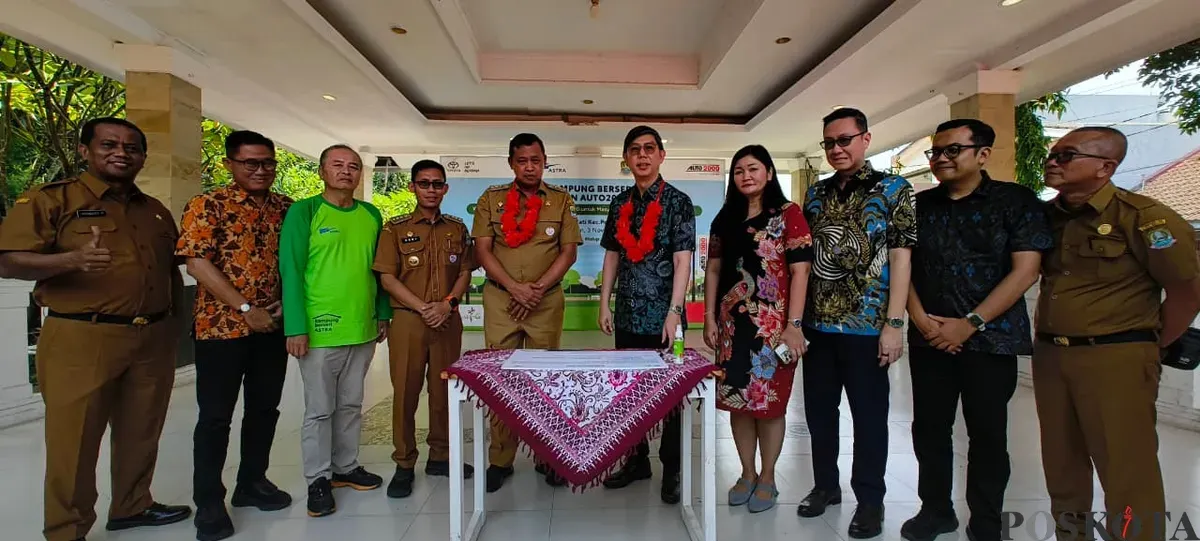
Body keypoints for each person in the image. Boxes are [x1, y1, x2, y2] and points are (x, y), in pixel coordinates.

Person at [0, 117, 192, 541]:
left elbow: (169, 272)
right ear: (85, 150)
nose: (121, 153)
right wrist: (69, 261)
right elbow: (8, 260)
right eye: (109, 145)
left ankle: (132, 505)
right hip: (82, 336)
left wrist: (174, 325)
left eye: (131, 147)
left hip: (151, 337)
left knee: (142, 429)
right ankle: (67, 529)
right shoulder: (52, 199)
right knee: (75, 439)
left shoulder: (154, 210)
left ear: (143, 157)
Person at [1034, 127, 1200, 541]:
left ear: (1105, 167)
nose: (1052, 161)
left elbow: (1187, 290)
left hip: (1116, 357)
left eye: (1066, 155)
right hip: (1053, 355)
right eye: (1052, 154)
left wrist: (1151, 345)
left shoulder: (1144, 217)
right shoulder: (1046, 217)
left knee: (1126, 470)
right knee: (1062, 466)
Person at [902, 119, 1052, 541]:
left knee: (987, 435)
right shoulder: (918, 206)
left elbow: (1026, 271)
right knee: (929, 430)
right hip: (930, 337)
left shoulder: (1015, 201)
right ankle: (935, 511)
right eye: (936, 152)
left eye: (952, 150)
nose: (941, 159)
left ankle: (986, 522)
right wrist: (921, 320)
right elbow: (901, 266)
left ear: (982, 154)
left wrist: (970, 324)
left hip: (990, 340)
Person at [798, 107, 917, 539]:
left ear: (865, 139)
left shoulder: (893, 189)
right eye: (829, 142)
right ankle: (825, 486)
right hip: (818, 328)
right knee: (819, 415)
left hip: (868, 327)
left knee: (869, 418)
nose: (836, 149)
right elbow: (804, 261)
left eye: (844, 139)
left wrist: (895, 323)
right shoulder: (816, 194)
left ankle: (870, 500)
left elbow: (902, 258)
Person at [177, 130, 295, 540]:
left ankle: (252, 482)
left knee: (264, 409)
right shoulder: (207, 205)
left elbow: (297, 262)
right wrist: (246, 309)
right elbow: (196, 264)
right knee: (215, 418)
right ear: (230, 164)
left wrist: (284, 303)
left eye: (267, 163)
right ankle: (209, 502)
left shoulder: (286, 209)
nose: (260, 170)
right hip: (221, 329)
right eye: (250, 163)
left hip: (272, 327)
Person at [280, 144, 392, 518]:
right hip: (318, 330)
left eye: (353, 166)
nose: (346, 171)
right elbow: (291, 270)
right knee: (319, 409)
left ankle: (345, 467)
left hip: (362, 328)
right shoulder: (305, 211)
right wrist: (296, 326)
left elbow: (378, 270)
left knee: (351, 404)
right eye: (338, 165)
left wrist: (382, 313)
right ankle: (318, 479)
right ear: (322, 171)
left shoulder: (370, 214)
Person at [703, 144, 813, 514]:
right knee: (739, 402)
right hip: (732, 328)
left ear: (769, 172)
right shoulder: (725, 218)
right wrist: (709, 317)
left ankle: (768, 477)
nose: (746, 176)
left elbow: (800, 270)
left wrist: (794, 325)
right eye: (739, 171)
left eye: (753, 168)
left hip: (774, 328)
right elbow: (714, 269)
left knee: (769, 404)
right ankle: (747, 472)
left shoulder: (788, 214)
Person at [471, 132, 582, 492]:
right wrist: (515, 288)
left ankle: (546, 456)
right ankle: (500, 459)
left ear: (545, 161)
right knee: (501, 379)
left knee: (544, 382)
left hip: (544, 302)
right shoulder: (491, 199)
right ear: (511, 163)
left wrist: (536, 290)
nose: (530, 167)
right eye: (522, 161)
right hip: (501, 300)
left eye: (536, 160)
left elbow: (568, 252)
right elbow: (483, 250)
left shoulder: (561, 200)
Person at [597, 125, 696, 504]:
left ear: (661, 155)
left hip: (666, 318)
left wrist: (675, 311)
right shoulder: (619, 203)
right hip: (627, 315)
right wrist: (604, 302)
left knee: (670, 395)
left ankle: (672, 469)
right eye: (635, 149)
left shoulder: (678, 202)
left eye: (649, 149)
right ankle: (636, 461)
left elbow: (683, 260)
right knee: (629, 392)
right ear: (626, 158)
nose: (642, 155)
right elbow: (612, 255)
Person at [373, 159, 476, 499]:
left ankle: (440, 456)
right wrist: (423, 308)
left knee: (444, 391)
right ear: (412, 187)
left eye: (437, 184)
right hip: (408, 320)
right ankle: (404, 464)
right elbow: (387, 277)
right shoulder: (394, 229)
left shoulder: (457, 228)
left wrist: (447, 304)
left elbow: (465, 271)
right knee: (405, 392)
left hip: (447, 320)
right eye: (424, 183)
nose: (431, 189)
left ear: (445, 188)